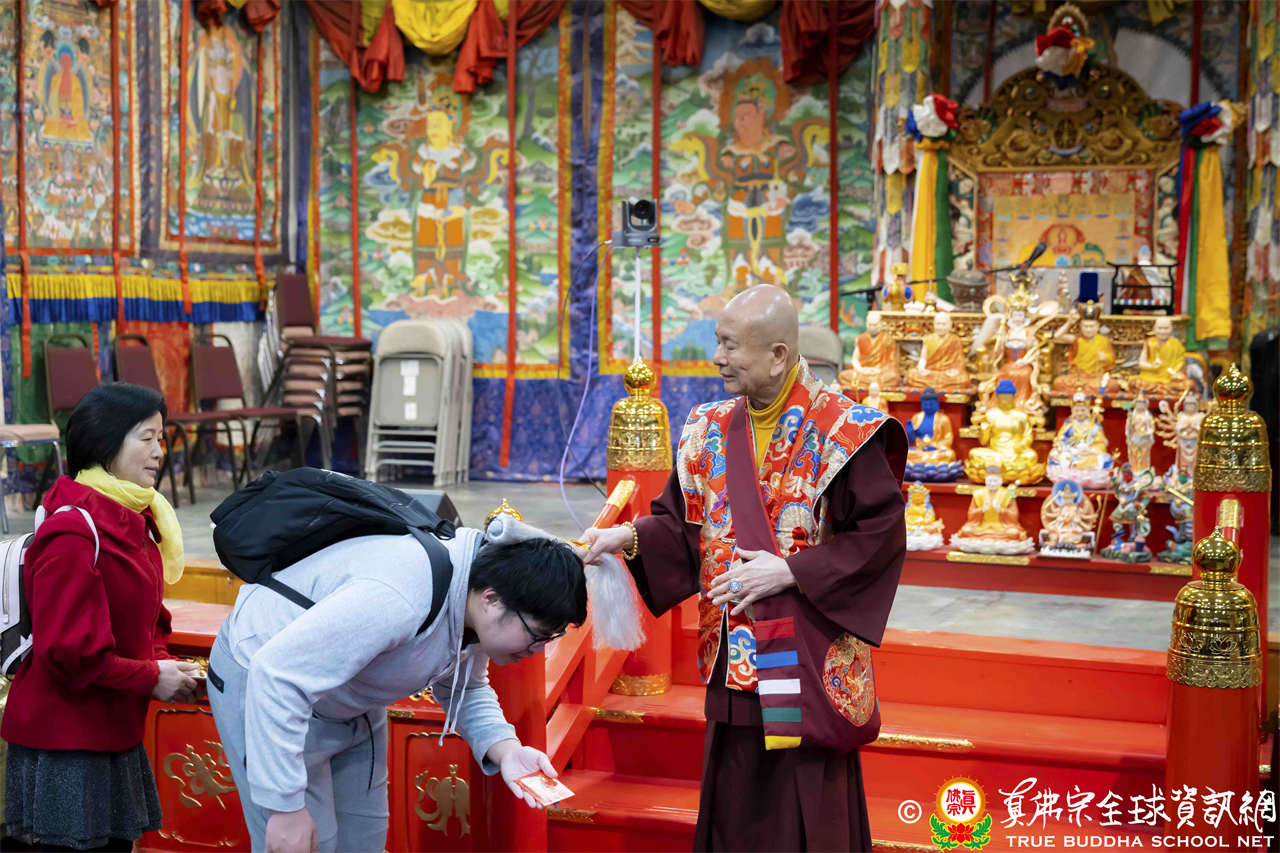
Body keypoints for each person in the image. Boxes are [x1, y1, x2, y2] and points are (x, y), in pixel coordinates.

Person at [584, 285, 907, 851]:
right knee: (735, 799)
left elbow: (879, 537)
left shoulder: (845, 430)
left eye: (731, 346)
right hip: (734, 656)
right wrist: (625, 537)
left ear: (778, 355)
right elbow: (682, 527)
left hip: (806, 657)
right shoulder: (707, 427)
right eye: (719, 342)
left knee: (808, 803)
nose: (718, 358)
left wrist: (794, 572)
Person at [207, 516, 589, 853]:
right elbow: (277, 674)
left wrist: (507, 751)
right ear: (492, 600)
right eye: (536, 635)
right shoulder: (401, 597)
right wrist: (285, 807)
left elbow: (468, 688)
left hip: (348, 696)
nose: (537, 650)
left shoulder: (473, 597)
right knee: (305, 842)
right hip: (268, 688)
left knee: (363, 837)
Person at [2, 383, 199, 852]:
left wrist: (161, 660)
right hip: (67, 742)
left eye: (161, 437)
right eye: (147, 438)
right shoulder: (73, 530)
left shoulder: (136, 516)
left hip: (113, 727)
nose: (160, 451)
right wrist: (150, 676)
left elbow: (150, 618)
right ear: (106, 443)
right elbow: (68, 652)